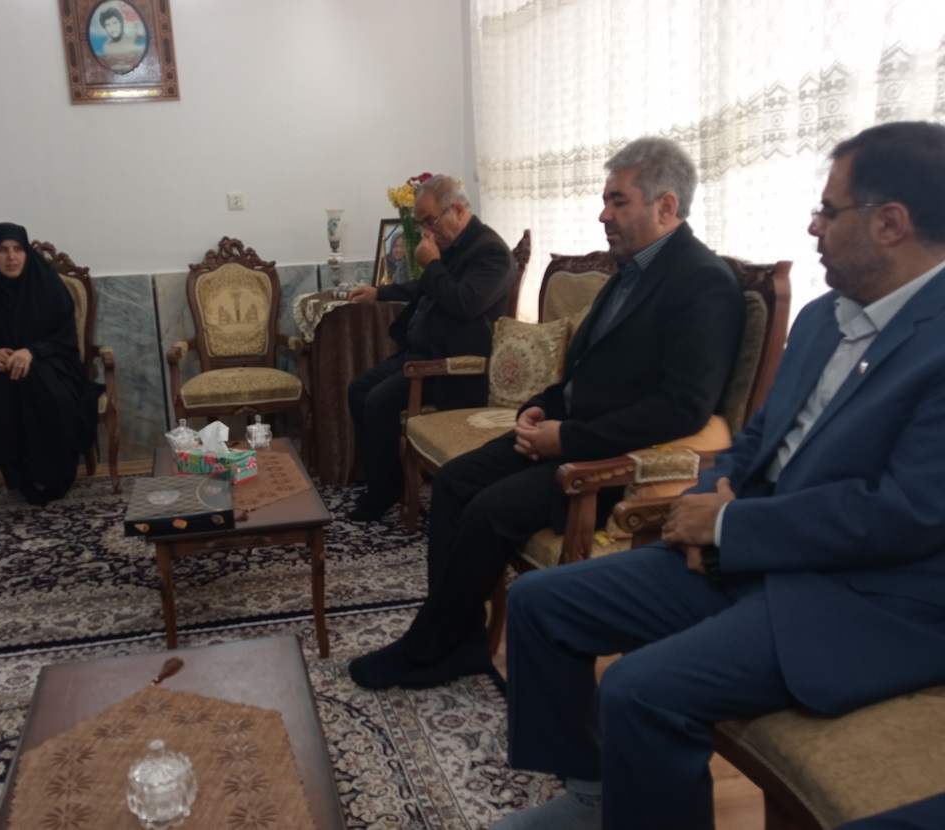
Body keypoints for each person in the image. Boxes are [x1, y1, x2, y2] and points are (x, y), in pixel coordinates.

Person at [494, 121, 945, 830]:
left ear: (890, 223)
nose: (813, 225)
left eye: (828, 210)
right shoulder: (824, 318)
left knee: (637, 689)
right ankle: (593, 797)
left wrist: (732, 525)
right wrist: (711, 497)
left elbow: (905, 512)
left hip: (861, 596)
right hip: (753, 556)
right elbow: (756, 437)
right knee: (540, 604)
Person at [348, 137, 744, 690]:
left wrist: (569, 438)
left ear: (666, 206)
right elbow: (586, 371)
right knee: (457, 481)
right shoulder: (630, 272)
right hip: (565, 434)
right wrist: (540, 407)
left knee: (488, 509)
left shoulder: (703, 282)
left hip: (609, 461)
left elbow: (681, 409)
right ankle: (459, 641)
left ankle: (429, 646)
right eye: (604, 200)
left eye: (617, 201)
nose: (603, 214)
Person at [347, 175, 514, 522]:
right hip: (420, 352)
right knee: (358, 390)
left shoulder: (491, 252)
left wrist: (433, 265)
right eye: (421, 223)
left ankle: (384, 492)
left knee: (378, 402)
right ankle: (385, 479)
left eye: (430, 221)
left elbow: (464, 302)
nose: (426, 231)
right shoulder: (454, 243)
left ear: (458, 210)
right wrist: (380, 293)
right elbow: (425, 287)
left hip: (451, 366)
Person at [0, 223, 101, 505]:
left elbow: (65, 335)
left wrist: (33, 351)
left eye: (17, 249)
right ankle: (20, 478)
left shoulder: (46, 284)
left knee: (52, 396)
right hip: (2, 370)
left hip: (52, 364)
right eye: (3, 250)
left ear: (26, 253)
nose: (11, 257)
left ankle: (57, 475)